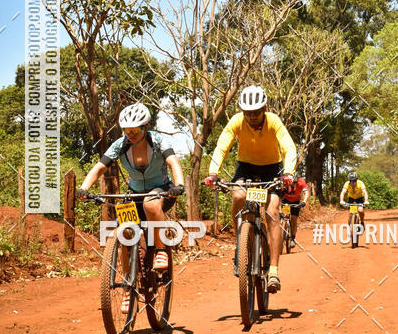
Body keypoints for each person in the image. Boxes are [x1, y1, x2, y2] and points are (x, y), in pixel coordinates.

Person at [77, 102, 184, 311]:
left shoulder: (157, 140)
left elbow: (173, 163)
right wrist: (83, 189)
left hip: (162, 189)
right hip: (134, 193)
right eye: (126, 130)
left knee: (150, 205)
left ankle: (161, 250)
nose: (130, 134)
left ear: (145, 128)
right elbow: (99, 168)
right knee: (125, 232)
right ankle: (128, 287)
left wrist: (179, 185)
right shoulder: (121, 145)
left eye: (135, 130)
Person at [204, 85, 297, 293]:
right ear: (243, 111)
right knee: (238, 195)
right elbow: (222, 146)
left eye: (256, 112)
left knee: (272, 212)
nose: (252, 117)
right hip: (245, 167)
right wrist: (213, 172)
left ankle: (273, 269)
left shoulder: (273, 121)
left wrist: (288, 172)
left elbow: (289, 147)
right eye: (248, 113)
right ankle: (241, 239)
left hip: (272, 169)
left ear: (264, 108)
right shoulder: (237, 121)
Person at [281, 174, 309, 248]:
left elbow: (306, 192)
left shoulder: (302, 182)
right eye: (292, 183)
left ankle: (292, 238)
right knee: (285, 216)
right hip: (286, 201)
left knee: (294, 219)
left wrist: (304, 201)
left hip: (296, 202)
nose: (293, 185)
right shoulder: (285, 181)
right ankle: (282, 234)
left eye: (295, 183)